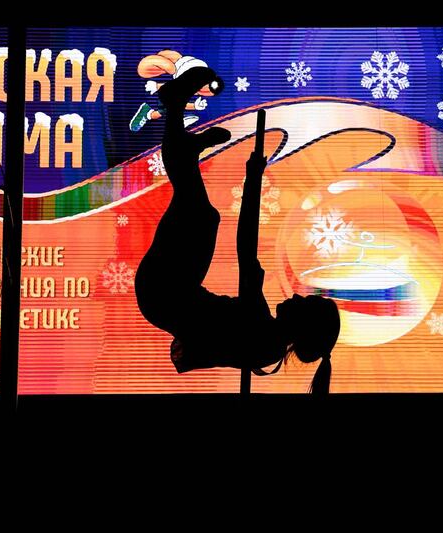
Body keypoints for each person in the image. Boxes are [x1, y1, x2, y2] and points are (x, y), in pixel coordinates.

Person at [134, 66, 340, 394]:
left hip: (164, 293)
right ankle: (182, 144)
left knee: (197, 209)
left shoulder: (263, 334)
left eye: (305, 304)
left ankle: (174, 108)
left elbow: (246, 246)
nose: (298, 295)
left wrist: (254, 176)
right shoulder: (266, 343)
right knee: (201, 211)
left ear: (303, 327)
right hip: (168, 295)